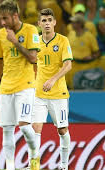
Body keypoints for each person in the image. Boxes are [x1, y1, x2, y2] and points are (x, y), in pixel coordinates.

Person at [0, 0, 40, 169]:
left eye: (5, 18)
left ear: (15, 16)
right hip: (6, 88)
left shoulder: (31, 30)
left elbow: (33, 58)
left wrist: (15, 42)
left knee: (25, 128)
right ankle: (10, 166)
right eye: (0, 19)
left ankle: (34, 157)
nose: (2, 22)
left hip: (25, 86)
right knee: (7, 130)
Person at [33, 8, 73, 170]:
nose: (47, 23)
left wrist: (53, 79)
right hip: (39, 93)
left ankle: (64, 165)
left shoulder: (63, 41)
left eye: (50, 20)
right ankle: (34, 165)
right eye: (44, 20)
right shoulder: (35, 41)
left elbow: (68, 64)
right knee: (35, 128)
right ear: (39, 24)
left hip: (59, 93)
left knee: (62, 129)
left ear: (55, 22)